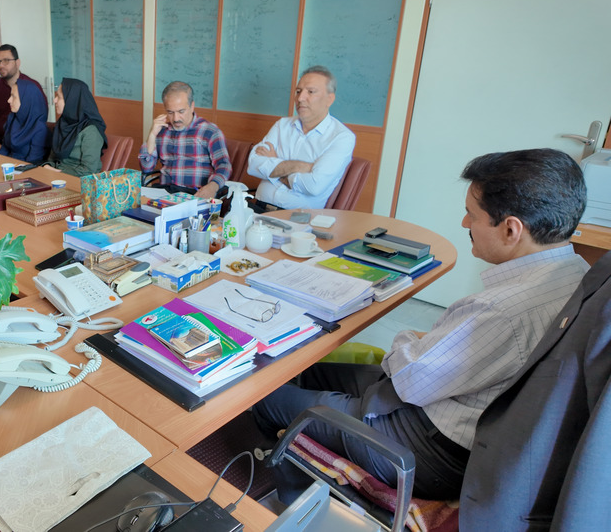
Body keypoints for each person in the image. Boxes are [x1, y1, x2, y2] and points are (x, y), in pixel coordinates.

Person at [252, 148, 589, 501]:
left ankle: (281, 484)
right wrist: (425, 343)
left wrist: (410, 338)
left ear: (510, 229)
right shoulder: (577, 273)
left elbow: (411, 377)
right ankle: (297, 454)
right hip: (446, 409)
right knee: (307, 372)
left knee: (265, 396)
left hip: (427, 445)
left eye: (472, 215)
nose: (465, 224)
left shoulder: (502, 310)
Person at [246, 65, 356, 210]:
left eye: (310, 92)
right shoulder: (282, 125)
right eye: (298, 91)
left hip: (297, 218)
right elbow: (253, 165)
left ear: (329, 99)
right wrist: (299, 166)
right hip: (257, 207)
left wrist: (275, 165)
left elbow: (313, 186)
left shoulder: (342, 137)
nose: (300, 98)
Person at [138, 81, 230, 198]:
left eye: (181, 111)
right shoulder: (162, 131)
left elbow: (224, 165)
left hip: (194, 194)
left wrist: (213, 186)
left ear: (192, 106)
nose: (176, 118)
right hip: (165, 193)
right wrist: (152, 134)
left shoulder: (210, 132)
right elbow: (146, 168)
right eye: (170, 112)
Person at [0, 44, 47, 152]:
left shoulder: (32, 86)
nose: (1, 65)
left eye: (6, 61)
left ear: (17, 63)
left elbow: (41, 118)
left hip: (24, 146)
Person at [43, 78, 107, 177]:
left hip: (78, 181)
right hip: (57, 178)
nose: (54, 100)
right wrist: (47, 166)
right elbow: (52, 160)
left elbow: (88, 171)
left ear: (72, 100)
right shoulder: (62, 123)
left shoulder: (91, 130)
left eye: (59, 97)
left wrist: (56, 172)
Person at [0, 78, 48, 163]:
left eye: (13, 97)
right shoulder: (12, 119)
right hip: (8, 166)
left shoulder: (40, 128)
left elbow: (33, 162)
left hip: (24, 168)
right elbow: (4, 150)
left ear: (26, 100)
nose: (9, 100)